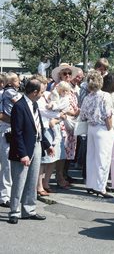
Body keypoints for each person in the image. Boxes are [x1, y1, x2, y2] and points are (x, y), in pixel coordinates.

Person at [8, 78, 55, 224]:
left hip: (36, 145)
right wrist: (23, 154)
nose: (42, 94)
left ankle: (29, 210)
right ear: (34, 92)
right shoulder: (20, 106)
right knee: (19, 181)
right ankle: (14, 211)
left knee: (32, 180)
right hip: (23, 149)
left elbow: (39, 127)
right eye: (41, 92)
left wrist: (47, 144)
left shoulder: (34, 105)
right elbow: (17, 132)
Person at [79, 71, 114, 198]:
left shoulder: (87, 98)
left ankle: (90, 184)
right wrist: (110, 129)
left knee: (91, 158)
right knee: (103, 159)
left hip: (90, 128)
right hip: (102, 129)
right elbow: (107, 115)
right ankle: (100, 187)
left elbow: (82, 116)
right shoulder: (105, 96)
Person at [0, 72, 22, 208]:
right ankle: (4, 196)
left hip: (12, 130)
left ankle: (10, 194)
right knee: (7, 165)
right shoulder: (6, 93)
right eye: (17, 81)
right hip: (7, 130)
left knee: (12, 164)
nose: (19, 83)